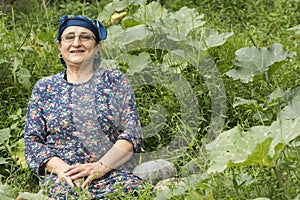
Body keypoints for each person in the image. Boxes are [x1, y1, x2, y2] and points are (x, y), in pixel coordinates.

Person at [24, 14, 143, 199]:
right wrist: (62, 170)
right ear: (60, 46)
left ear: (97, 47)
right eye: (69, 37)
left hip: (112, 173)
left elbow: (132, 134)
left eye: (85, 37)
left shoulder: (114, 81)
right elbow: (32, 141)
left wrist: (100, 167)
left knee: (129, 192)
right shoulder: (45, 87)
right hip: (65, 178)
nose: (76, 43)